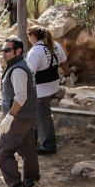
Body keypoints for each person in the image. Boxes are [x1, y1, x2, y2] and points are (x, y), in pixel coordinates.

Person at [0, 36, 40, 187]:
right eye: (3, 50)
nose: (4, 53)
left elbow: (21, 96)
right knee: (28, 150)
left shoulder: (18, 69)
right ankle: (31, 181)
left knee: (3, 153)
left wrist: (10, 116)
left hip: (18, 118)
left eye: (7, 50)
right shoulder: (20, 65)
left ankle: (16, 186)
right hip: (26, 116)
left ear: (18, 50)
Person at [25, 25, 69, 155]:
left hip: (41, 89)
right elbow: (64, 62)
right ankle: (35, 139)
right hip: (53, 85)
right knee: (41, 114)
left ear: (33, 36)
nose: (28, 39)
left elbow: (29, 73)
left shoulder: (35, 52)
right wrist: (67, 74)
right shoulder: (55, 45)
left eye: (29, 36)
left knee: (42, 116)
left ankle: (49, 145)